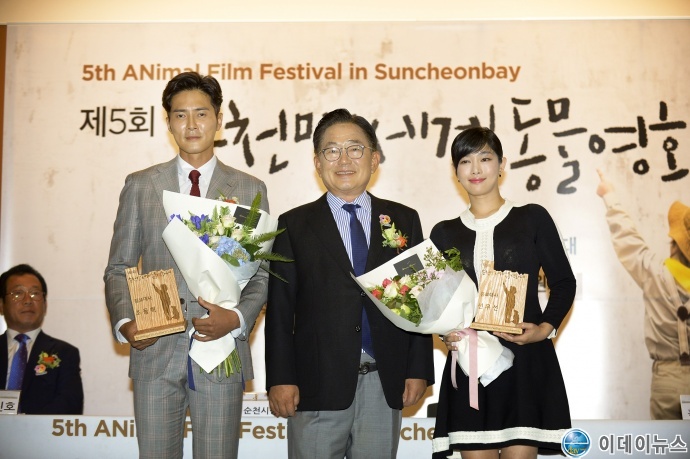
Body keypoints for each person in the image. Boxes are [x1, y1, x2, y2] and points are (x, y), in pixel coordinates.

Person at [104, 71, 268, 459]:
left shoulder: (249, 188)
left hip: (221, 346)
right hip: (155, 349)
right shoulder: (141, 185)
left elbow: (260, 273)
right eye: (180, 115)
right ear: (168, 122)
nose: (191, 124)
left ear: (219, 119)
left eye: (201, 113)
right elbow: (119, 266)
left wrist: (237, 319)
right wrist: (126, 323)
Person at [265, 108, 434, 458]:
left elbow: (420, 300)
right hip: (316, 384)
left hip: (384, 381)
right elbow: (280, 311)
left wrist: (418, 369)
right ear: (317, 162)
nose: (343, 160)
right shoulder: (294, 225)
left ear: (374, 159)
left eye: (355, 149)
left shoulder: (403, 219)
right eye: (332, 150)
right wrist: (280, 377)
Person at [430, 127, 576, 458]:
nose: (476, 169)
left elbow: (564, 282)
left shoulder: (532, 218)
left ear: (502, 164)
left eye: (485, 158)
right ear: (455, 172)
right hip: (469, 364)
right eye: (465, 161)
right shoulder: (443, 233)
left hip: (525, 361)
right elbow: (436, 302)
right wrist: (444, 334)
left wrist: (544, 329)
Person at [596, 169, 690, 420]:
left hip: (667, 380)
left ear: (674, 243)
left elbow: (628, 238)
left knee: (667, 442)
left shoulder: (655, 273)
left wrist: (609, 195)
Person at [0, 264, 84, 414]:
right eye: (18, 293)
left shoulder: (65, 353)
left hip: (39, 429)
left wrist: (27, 424)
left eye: (35, 293)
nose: (28, 300)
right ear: (1, 304)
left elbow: (70, 405)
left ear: (45, 304)